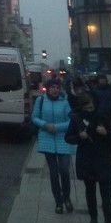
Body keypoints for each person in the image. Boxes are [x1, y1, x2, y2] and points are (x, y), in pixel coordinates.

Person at [66, 90, 111, 223]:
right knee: (90, 192)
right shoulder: (77, 118)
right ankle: (93, 219)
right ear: (82, 108)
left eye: (91, 107)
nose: (90, 110)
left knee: (106, 194)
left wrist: (105, 132)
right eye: (87, 108)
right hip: (87, 160)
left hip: (104, 159)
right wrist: (80, 137)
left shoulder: (102, 116)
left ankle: (109, 222)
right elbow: (68, 138)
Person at [31, 78, 76, 214]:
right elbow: (34, 117)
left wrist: (56, 127)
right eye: (52, 87)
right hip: (47, 139)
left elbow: (71, 121)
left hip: (63, 139)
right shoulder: (41, 101)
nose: (55, 90)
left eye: (57, 87)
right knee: (54, 173)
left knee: (64, 170)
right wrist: (45, 125)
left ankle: (67, 197)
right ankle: (59, 202)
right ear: (48, 88)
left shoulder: (64, 102)